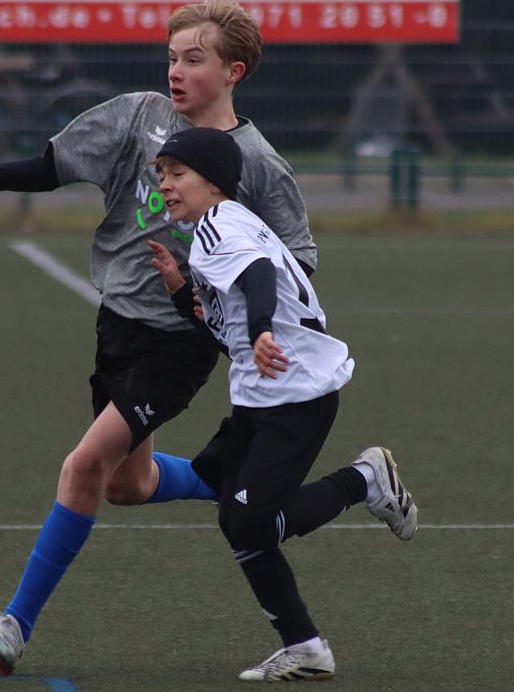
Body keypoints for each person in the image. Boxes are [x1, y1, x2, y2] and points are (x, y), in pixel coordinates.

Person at [0, 0, 318, 676]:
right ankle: (229, 479)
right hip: (117, 326)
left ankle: (13, 625)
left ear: (235, 70)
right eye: (171, 57)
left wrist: (236, 314)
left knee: (83, 465)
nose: (176, 70)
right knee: (125, 484)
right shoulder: (138, 117)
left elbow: (297, 259)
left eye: (193, 60)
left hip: (180, 343)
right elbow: (52, 165)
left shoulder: (255, 162)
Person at [146, 127, 418, 681]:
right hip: (262, 400)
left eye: (177, 174)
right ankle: (307, 649)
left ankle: (365, 480)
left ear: (213, 180)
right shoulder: (223, 228)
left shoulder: (220, 227)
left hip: (295, 397)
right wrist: (180, 289)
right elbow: (223, 329)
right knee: (234, 516)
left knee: (249, 525)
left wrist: (265, 329)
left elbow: (258, 274)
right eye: (161, 176)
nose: (166, 186)